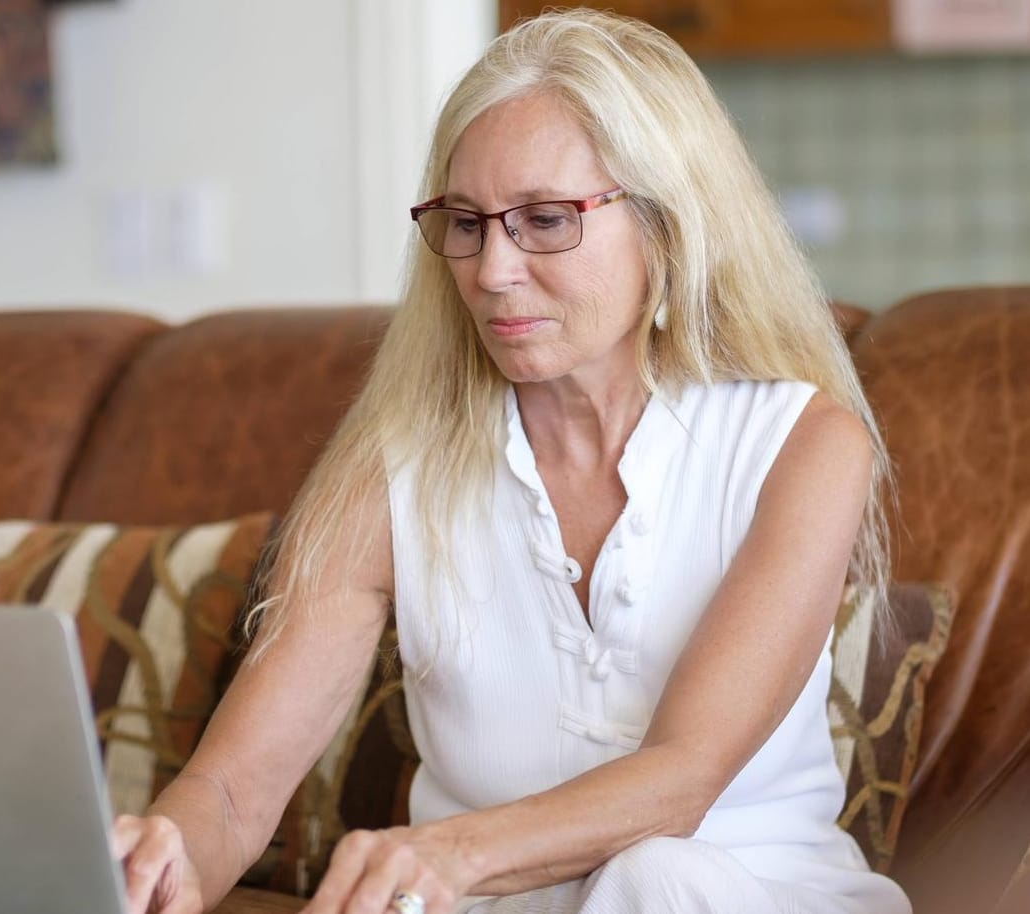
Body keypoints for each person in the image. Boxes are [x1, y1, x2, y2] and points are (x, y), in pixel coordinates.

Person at [110, 8, 910, 914]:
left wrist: (444, 856)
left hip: (741, 898)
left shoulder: (799, 445)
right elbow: (232, 790)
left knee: (656, 878)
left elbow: (682, 780)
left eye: (543, 220)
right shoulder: (390, 471)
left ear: (667, 224)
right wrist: (162, 852)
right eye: (465, 222)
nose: (491, 270)